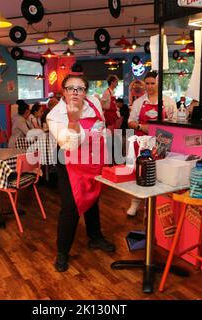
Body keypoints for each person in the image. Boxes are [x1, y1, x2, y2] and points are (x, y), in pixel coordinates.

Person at [46, 74, 116, 272]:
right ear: (63, 91)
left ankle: (95, 237)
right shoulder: (55, 115)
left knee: (93, 199)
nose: (76, 92)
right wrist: (73, 121)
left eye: (80, 88)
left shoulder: (94, 101)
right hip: (70, 163)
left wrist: (103, 154)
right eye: (71, 88)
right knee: (71, 207)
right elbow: (70, 144)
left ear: (86, 91)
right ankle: (62, 251)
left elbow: (100, 127)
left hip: (93, 161)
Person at [126, 71, 177, 217]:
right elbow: (130, 121)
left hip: (161, 142)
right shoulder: (138, 102)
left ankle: (153, 206)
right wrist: (142, 127)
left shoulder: (168, 101)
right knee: (139, 172)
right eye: (147, 83)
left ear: (158, 84)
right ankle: (135, 203)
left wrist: (160, 128)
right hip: (142, 142)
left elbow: (175, 122)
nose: (149, 86)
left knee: (158, 173)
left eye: (152, 83)